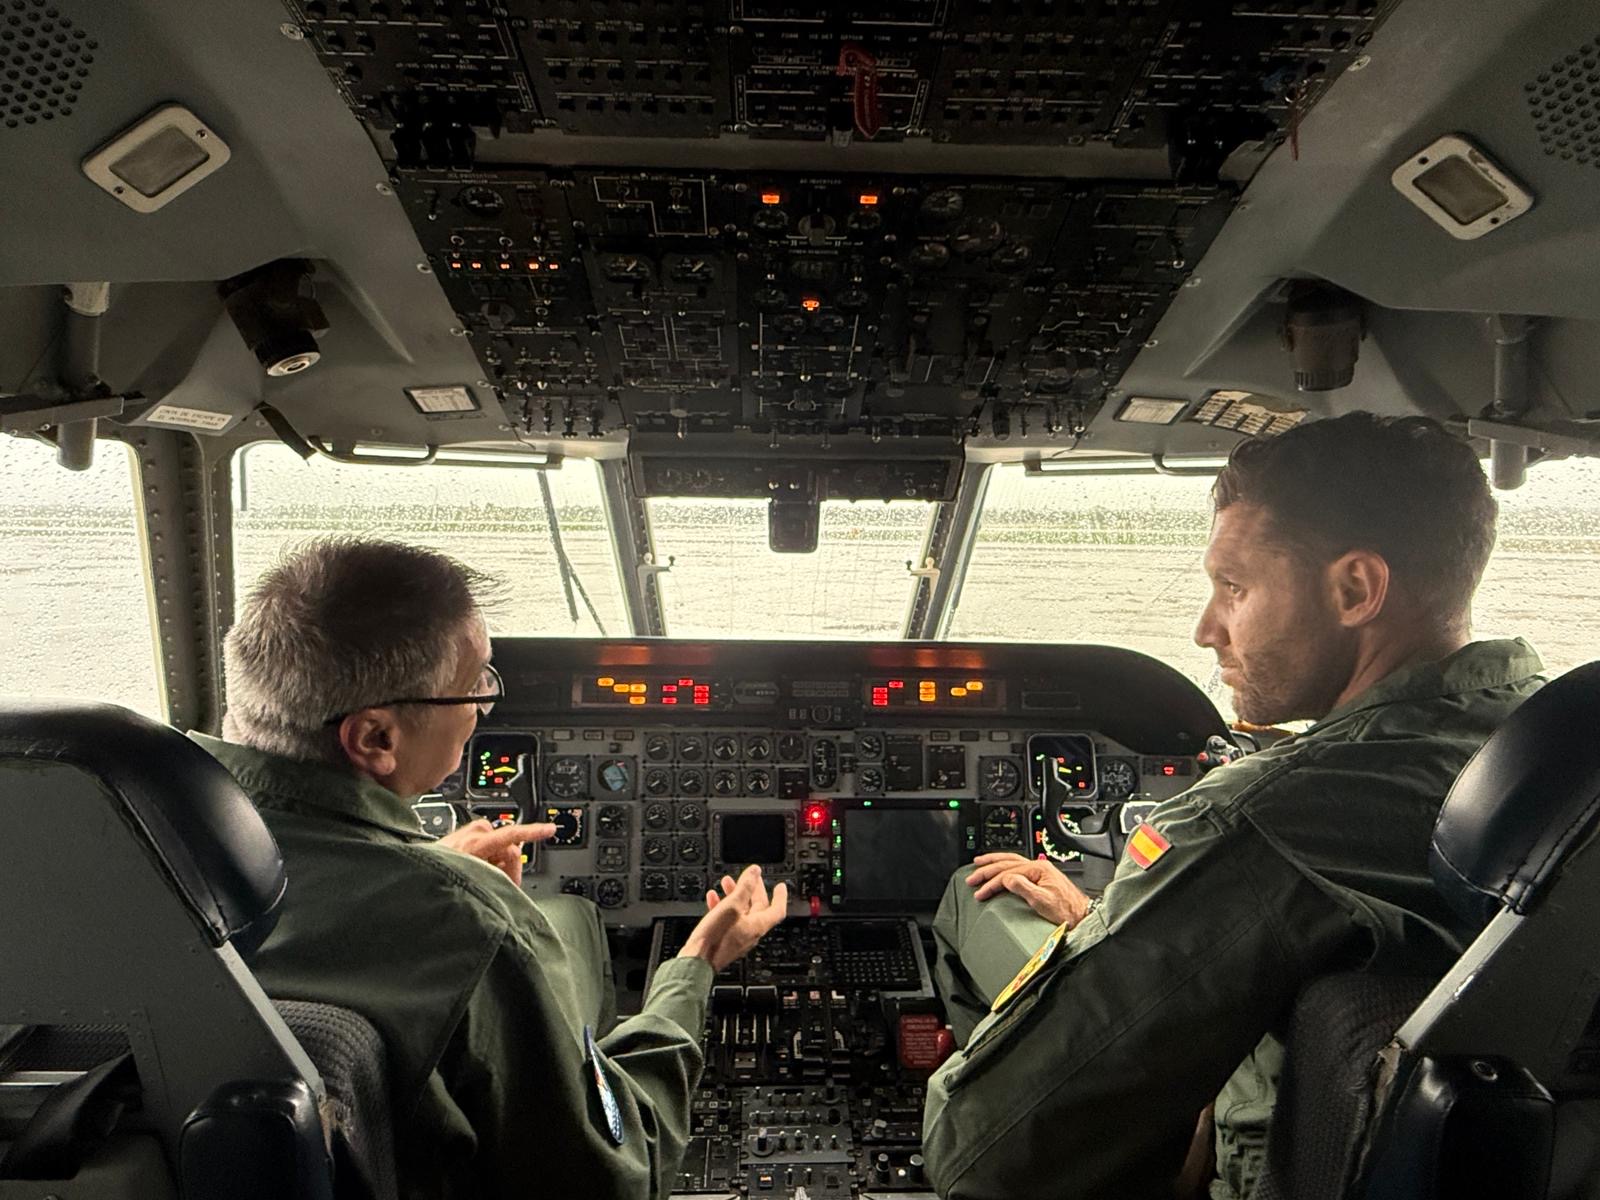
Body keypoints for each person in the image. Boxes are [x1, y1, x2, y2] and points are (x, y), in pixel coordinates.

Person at [921, 413, 1544, 1200]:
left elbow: (985, 1156)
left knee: (970, 899)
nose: (1205, 628)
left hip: (1260, 1166)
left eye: (1233, 587)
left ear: (1355, 588)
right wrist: (1107, 925)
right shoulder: (1549, 740)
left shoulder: (1261, 818)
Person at [192, 537, 787, 1200]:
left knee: (566, 913)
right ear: (375, 739)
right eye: (474, 686)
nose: (482, 706)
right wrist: (694, 965)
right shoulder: (468, 920)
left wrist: (419, 868)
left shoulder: (123, 846)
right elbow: (617, 1180)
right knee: (563, 920)